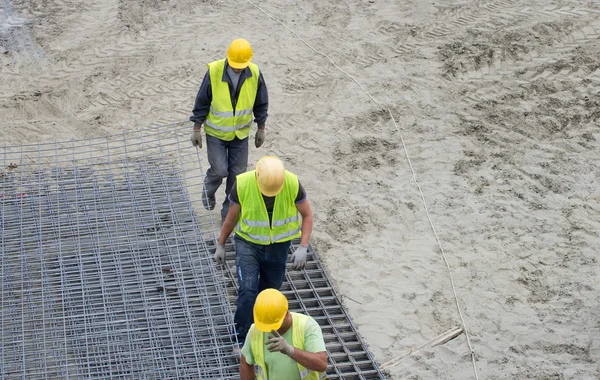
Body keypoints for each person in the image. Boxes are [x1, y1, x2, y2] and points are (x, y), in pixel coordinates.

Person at [214, 156, 313, 345]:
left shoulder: (292, 183)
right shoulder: (243, 184)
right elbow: (231, 218)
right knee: (248, 291)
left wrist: (303, 247)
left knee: (269, 293)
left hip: (279, 246)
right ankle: (241, 339)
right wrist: (221, 244)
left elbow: (307, 215)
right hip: (248, 244)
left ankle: (262, 331)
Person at [189, 38, 269, 223]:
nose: (238, 69)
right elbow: (202, 101)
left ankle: (228, 214)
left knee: (238, 176)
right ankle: (208, 190)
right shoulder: (214, 72)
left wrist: (261, 128)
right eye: (235, 66)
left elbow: (261, 102)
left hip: (240, 134)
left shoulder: (255, 73)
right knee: (220, 170)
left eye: (242, 66)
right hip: (216, 134)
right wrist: (196, 128)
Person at [240, 288, 327, 380]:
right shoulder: (255, 330)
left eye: (275, 325)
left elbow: (321, 364)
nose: (270, 329)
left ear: (286, 314)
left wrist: (291, 351)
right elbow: (245, 362)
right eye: (266, 325)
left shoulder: (307, 326)